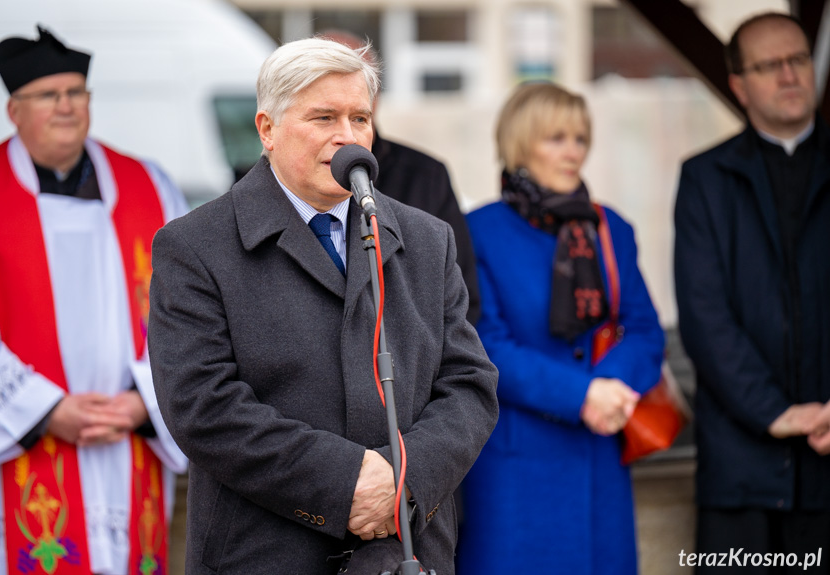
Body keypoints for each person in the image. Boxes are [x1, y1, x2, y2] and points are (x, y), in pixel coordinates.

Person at [147, 37, 499, 575]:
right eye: (324, 117)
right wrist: (346, 483)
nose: (348, 137)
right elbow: (203, 406)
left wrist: (404, 480)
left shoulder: (428, 239)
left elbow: (469, 384)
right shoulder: (194, 246)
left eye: (361, 118)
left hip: (404, 553)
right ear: (266, 129)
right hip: (262, 555)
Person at [0, 26, 188, 575]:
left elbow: (191, 307)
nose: (65, 106)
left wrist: (147, 400)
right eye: (48, 95)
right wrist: (44, 410)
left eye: (76, 93)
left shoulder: (151, 186)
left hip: (127, 434)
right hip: (24, 442)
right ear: (14, 110)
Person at [456, 82, 665, 575]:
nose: (573, 152)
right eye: (556, 138)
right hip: (515, 461)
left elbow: (644, 331)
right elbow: (485, 344)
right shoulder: (476, 231)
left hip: (601, 453)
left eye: (580, 138)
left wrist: (610, 388)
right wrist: (582, 395)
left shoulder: (612, 228)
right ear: (520, 143)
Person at [674, 12, 830, 571]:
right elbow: (704, 316)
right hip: (740, 470)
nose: (789, 75)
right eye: (770, 65)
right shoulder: (705, 178)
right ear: (739, 85)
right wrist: (776, 412)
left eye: (798, 60)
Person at [317, 29, 481, 325]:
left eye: (356, 114)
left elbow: (461, 305)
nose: (343, 134)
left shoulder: (427, 176)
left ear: (374, 98)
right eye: (325, 113)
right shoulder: (262, 187)